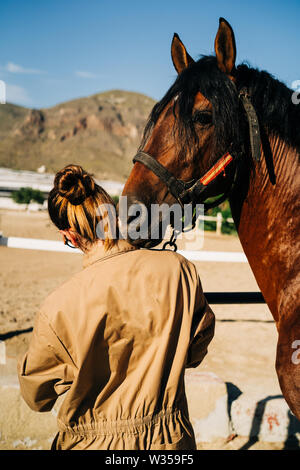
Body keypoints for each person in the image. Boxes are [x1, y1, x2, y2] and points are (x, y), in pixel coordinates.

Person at [17, 164, 215, 450]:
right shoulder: (180, 271)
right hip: (171, 442)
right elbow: (196, 350)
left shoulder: (57, 307)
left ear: (69, 236)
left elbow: (37, 396)